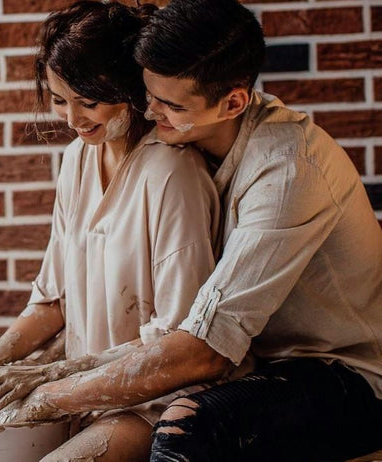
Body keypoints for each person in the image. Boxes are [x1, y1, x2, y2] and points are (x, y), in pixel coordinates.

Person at [0, 2, 222, 460]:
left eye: (89, 101)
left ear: (130, 89)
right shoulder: (76, 160)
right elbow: (52, 301)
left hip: (152, 399)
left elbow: (179, 342)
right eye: (60, 100)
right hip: (79, 393)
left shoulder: (171, 171)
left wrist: (45, 380)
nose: (72, 119)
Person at [130, 0, 382, 460]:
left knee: (186, 426)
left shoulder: (289, 168)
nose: (149, 113)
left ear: (233, 102)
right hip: (257, 363)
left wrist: (49, 393)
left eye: (169, 104)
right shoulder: (189, 140)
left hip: (350, 376)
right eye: (149, 94)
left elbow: (206, 350)